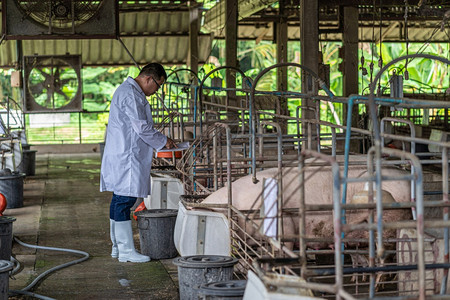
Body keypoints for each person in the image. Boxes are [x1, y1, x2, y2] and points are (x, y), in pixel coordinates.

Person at [100, 63, 176, 263]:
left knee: (119, 199)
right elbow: (142, 128)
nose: (156, 91)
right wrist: (163, 141)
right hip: (127, 156)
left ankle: (118, 247)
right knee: (124, 201)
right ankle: (125, 251)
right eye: (158, 86)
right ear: (149, 79)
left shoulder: (130, 91)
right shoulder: (131, 95)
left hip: (125, 153)